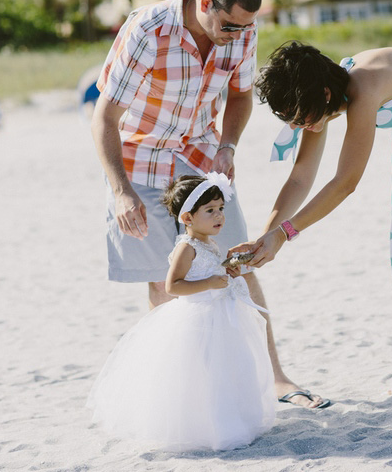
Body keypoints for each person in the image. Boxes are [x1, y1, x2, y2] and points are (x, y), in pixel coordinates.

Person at [91, 0, 327, 409]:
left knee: (241, 262)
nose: (236, 36)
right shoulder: (147, 29)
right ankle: (184, 393)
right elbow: (104, 117)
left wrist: (229, 146)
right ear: (204, 3)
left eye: (245, 27)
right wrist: (121, 190)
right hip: (137, 162)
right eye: (229, 26)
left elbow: (239, 96)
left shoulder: (243, 30)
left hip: (200, 158)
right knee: (167, 283)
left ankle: (275, 378)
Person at [230, 42, 392, 414]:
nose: (300, 125)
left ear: (323, 93)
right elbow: (300, 178)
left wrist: (286, 235)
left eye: (301, 117)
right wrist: (266, 235)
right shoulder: (317, 94)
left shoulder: (363, 88)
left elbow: (346, 181)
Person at [87, 172, 276, 451]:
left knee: (226, 369)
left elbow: (210, 269)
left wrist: (225, 270)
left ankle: (232, 419)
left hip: (220, 316)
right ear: (187, 218)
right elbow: (173, 286)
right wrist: (209, 282)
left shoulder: (209, 243)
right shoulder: (186, 247)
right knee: (202, 372)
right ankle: (208, 427)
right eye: (210, 210)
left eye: (221, 209)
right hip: (198, 318)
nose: (219, 216)